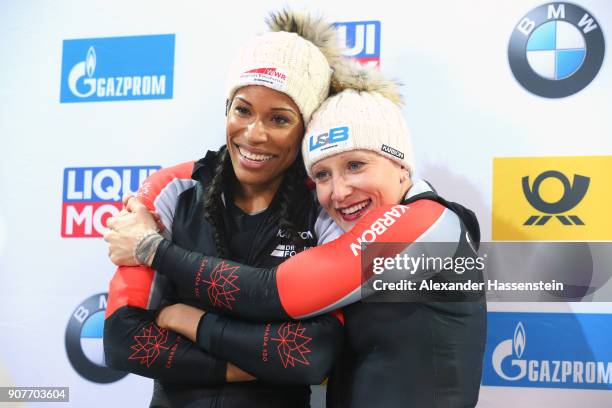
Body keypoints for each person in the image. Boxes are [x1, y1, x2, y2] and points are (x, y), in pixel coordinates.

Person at [108, 63, 487, 406]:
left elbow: (275, 293)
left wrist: (154, 253)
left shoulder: (426, 222)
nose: (338, 192)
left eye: (355, 165)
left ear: (400, 166)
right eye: (322, 175)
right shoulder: (376, 228)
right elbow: (121, 341)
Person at [102, 10, 346, 408]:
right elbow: (123, 340)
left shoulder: (324, 205)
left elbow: (310, 356)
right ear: (227, 108)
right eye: (243, 110)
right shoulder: (173, 187)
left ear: (306, 131)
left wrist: (189, 320)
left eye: (279, 119)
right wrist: (256, 364)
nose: (254, 134)